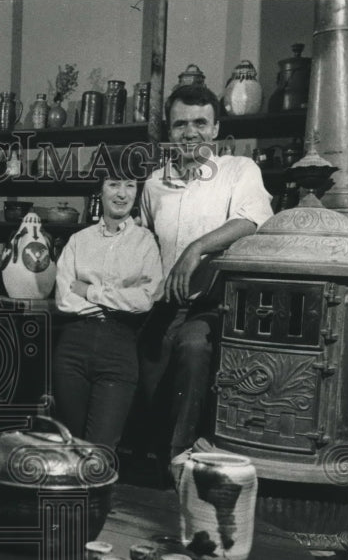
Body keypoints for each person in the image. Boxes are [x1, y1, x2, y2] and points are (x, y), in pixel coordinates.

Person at [137, 83, 274, 468]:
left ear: (215, 130)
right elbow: (144, 239)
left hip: (212, 305)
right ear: (169, 131)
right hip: (162, 304)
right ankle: (149, 461)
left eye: (200, 123)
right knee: (147, 360)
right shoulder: (154, 184)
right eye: (180, 124)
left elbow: (253, 220)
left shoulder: (238, 170)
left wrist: (195, 249)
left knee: (193, 351)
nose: (190, 132)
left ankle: (179, 461)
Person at [53, 167, 163, 452]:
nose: (122, 193)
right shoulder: (79, 240)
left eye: (129, 185)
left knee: (100, 449)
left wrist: (90, 291)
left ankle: (96, 496)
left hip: (119, 348)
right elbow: (64, 298)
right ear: (100, 191)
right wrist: (118, 300)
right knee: (71, 445)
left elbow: (144, 300)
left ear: (136, 193)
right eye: (113, 184)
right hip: (73, 346)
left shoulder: (145, 242)